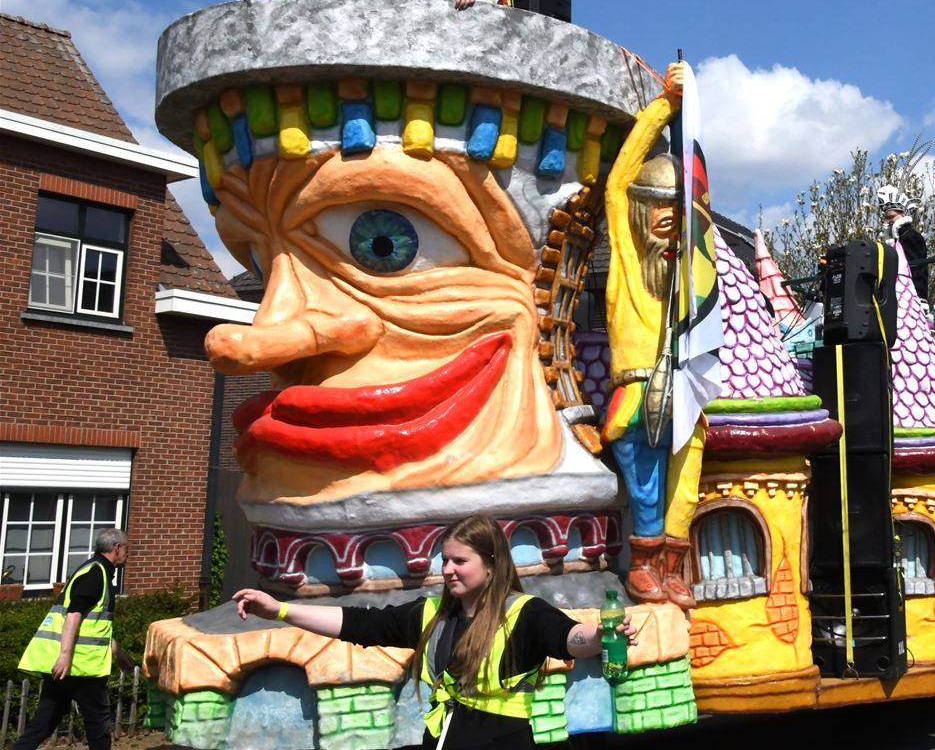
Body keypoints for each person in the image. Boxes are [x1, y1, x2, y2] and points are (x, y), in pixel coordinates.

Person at [233, 514, 635, 750]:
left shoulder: (525, 614)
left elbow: (569, 637)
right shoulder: (431, 615)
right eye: (445, 560)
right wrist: (280, 610)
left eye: (460, 561)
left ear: (491, 565)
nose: (448, 570)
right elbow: (358, 624)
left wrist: (600, 637)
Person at [602, 61, 705, 609]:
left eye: (677, 215)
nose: (669, 223)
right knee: (644, 479)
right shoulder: (626, 259)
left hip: (687, 384)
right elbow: (618, 182)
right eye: (659, 213)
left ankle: (673, 567)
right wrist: (665, 105)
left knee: (686, 478)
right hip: (639, 386)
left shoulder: (692, 272)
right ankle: (644, 565)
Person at [15, 529, 134, 750]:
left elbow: (94, 626)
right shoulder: (96, 574)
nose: (128, 554)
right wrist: (65, 655)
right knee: (98, 727)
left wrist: (118, 653)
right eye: (126, 549)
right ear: (116, 548)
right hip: (81, 667)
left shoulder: (93, 570)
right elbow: (74, 614)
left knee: (43, 723)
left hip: (66, 667)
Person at [877, 185, 929, 301]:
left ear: (903, 214)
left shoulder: (912, 237)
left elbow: (917, 271)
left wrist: (921, 298)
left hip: (910, 297)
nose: (889, 221)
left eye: (891, 217)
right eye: (886, 218)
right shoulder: (893, 241)